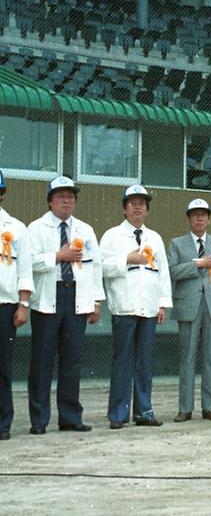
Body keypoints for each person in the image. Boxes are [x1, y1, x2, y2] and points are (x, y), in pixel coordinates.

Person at [27, 176, 103, 435]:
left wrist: (95, 301)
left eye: (70, 196)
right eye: (61, 196)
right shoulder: (36, 229)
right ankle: (39, 419)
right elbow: (29, 263)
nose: (66, 201)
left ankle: (70, 416)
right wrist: (58, 256)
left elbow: (95, 267)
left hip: (77, 297)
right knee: (42, 360)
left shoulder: (85, 230)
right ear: (50, 202)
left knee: (72, 360)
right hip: (48, 298)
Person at [101, 185, 172, 429]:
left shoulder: (155, 238)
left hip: (149, 308)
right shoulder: (112, 236)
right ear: (124, 209)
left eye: (142, 203)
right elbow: (102, 267)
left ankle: (144, 411)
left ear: (147, 210)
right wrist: (126, 260)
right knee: (122, 361)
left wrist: (163, 304)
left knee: (144, 361)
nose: (138, 207)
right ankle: (118, 414)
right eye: (132, 203)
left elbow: (162, 273)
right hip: (124, 307)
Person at [167, 199, 211, 423]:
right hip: (188, 306)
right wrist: (197, 264)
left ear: (209, 218)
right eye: (195, 215)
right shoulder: (177, 243)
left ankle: (209, 406)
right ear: (188, 219)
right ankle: (185, 408)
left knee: (210, 358)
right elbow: (172, 271)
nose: (199, 218)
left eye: (203, 214)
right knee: (187, 358)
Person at [0, 169, 34, 441]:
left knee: (2, 366)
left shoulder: (15, 228)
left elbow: (24, 270)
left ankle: (2, 422)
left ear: (3, 194)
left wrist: (23, 304)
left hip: (5, 305)